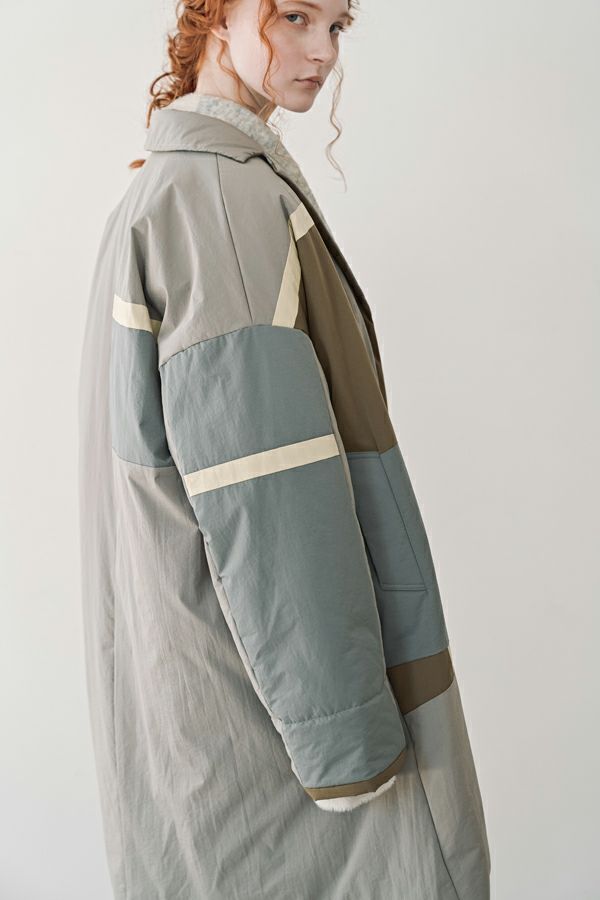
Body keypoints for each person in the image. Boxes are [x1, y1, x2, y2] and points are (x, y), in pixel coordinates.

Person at [78, 1, 491, 897]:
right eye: (294, 15)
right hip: (280, 746)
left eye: (337, 25)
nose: (321, 51)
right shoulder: (223, 204)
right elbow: (269, 505)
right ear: (219, 15)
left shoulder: (164, 189)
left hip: (195, 709)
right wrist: (350, 750)